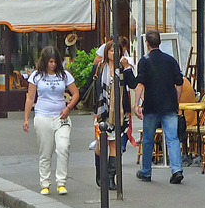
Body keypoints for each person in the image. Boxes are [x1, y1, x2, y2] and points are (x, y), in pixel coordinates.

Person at [121, 30, 184, 184]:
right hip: (169, 104)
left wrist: (137, 105)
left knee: (148, 139)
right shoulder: (170, 60)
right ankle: (177, 170)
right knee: (173, 138)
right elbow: (179, 83)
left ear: (147, 44)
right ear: (160, 43)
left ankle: (146, 171)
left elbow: (140, 84)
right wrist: (176, 101)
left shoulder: (144, 61)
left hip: (152, 105)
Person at [23, 46, 79, 195]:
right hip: (43, 116)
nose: (53, 64)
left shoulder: (64, 75)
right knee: (45, 152)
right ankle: (45, 183)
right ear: (45, 61)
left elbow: (75, 93)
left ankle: (61, 182)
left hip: (61, 116)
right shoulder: (36, 76)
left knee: (63, 147)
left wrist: (69, 107)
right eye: (50, 61)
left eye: (55, 61)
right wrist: (26, 118)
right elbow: (30, 97)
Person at [91, 39, 132, 190]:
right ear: (106, 52)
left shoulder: (122, 69)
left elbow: (133, 84)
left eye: (117, 50)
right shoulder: (99, 68)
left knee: (114, 144)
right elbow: (89, 86)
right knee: (101, 143)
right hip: (102, 112)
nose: (114, 53)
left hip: (118, 112)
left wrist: (127, 68)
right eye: (111, 50)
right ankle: (100, 174)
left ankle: (110, 178)